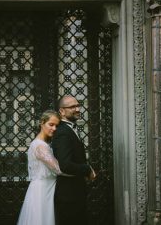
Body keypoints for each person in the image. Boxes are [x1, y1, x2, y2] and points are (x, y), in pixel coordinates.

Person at [17, 110, 67, 225]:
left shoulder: (43, 144)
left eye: (56, 126)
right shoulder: (40, 146)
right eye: (51, 124)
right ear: (42, 123)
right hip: (41, 192)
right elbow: (58, 169)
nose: (54, 128)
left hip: (48, 189)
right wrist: (82, 172)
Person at [52, 95, 95, 223]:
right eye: (72, 107)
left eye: (78, 105)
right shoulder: (62, 132)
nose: (77, 109)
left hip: (75, 193)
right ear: (62, 111)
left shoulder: (70, 128)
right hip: (68, 195)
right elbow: (65, 164)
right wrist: (87, 169)